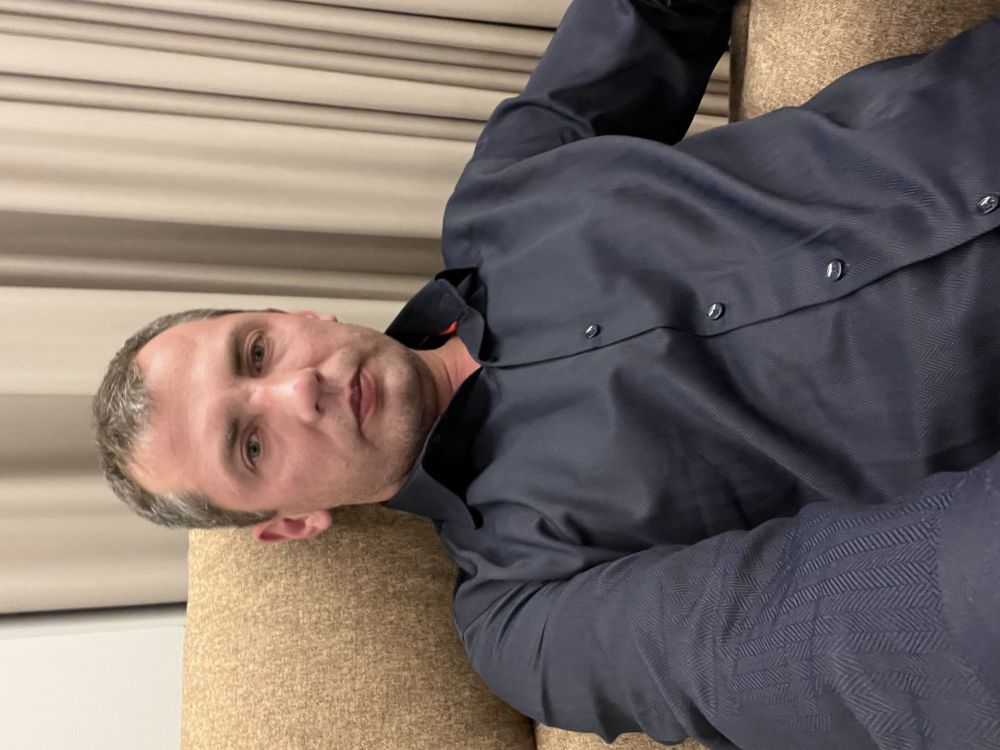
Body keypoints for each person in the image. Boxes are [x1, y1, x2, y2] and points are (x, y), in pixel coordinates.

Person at [93, 1, 1000, 747]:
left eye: (256, 353)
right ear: (291, 523)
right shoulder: (525, 618)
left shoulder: (503, 192)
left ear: (295, 317)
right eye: (251, 443)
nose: (298, 390)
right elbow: (820, 630)